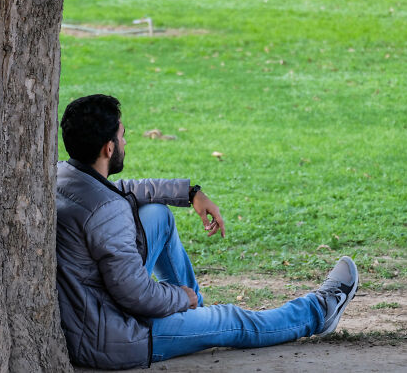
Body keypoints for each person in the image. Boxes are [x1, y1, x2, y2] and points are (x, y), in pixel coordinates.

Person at [55, 94, 358, 370]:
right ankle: (319, 311)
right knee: (232, 320)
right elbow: (135, 296)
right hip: (117, 336)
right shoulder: (106, 211)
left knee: (157, 213)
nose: (125, 144)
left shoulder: (64, 175)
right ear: (109, 148)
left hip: (92, 308)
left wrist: (190, 193)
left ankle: (193, 317)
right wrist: (179, 297)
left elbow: (125, 191)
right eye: (122, 137)